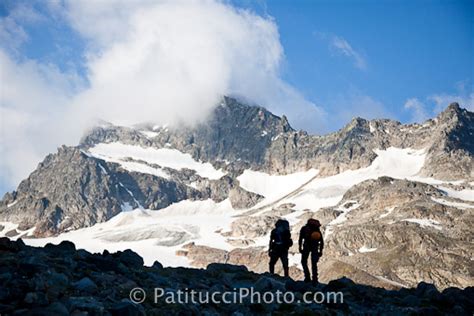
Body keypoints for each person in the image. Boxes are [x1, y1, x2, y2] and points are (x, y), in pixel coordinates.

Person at [299, 218, 324, 285]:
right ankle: (315, 279)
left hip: (306, 246)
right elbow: (321, 241)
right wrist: (320, 251)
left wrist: (300, 247)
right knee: (314, 263)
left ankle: (307, 277)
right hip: (315, 247)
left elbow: (300, 239)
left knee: (303, 261)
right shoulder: (317, 230)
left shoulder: (304, 229)